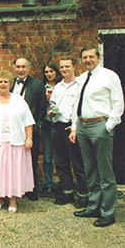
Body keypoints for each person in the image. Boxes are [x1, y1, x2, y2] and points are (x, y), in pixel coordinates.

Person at [70, 46, 124, 227]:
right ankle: (93, 206)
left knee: (105, 171)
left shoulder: (110, 76)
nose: (87, 60)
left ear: (98, 57)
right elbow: (76, 104)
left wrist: (107, 127)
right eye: (84, 57)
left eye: (91, 57)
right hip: (83, 126)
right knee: (90, 169)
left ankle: (108, 212)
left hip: (100, 125)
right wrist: (75, 127)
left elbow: (118, 103)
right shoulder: (82, 78)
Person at [0, 70, 35, 213]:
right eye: (0, 82)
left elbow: (28, 121)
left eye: (6, 82)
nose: (3, 84)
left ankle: (12, 200)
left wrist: (29, 138)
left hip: (15, 142)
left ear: (10, 83)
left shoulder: (19, 100)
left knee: (13, 171)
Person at [48, 56, 88, 208]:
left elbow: (81, 107)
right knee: (61, 163)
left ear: (74, 68)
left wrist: (75, 126)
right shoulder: (58, 87)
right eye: (62, 67)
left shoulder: (80, 85)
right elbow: (52, 105)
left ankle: (84, 195)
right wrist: (51, 112)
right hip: (57, 127)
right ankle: (68, 192)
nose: (64, 69)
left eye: (67, 66)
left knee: (78, 163)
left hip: (71, 128)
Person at [10, 57, 47, 201]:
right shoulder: (10, 83)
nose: (20, 70)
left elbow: (42, 108)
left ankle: (31, 189)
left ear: (29, 68)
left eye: (23, 67)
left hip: (29, 129)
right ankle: (13, 188)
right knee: (12, 160)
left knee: (31, 159)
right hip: (12, 129)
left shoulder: (37, 85)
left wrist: (37, 126)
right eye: (18, 66)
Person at [40, 62, 63, 196]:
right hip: (47, 125)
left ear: (56, 72)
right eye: (46, 72)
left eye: (51, 71)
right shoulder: (42, 88)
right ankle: (49, 184)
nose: (49, 74)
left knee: (61, 157)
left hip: (60, 124)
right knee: (47, 157)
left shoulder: (62, 87)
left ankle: (63, 183)